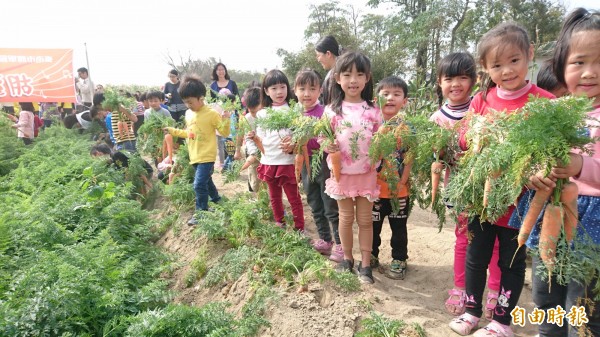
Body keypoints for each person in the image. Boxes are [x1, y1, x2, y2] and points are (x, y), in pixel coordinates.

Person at [448, 23, 555, 337]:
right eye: (497, 65)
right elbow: (466, 138)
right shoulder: (483, 100)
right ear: (485, 67)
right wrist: (478, 137)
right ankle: (471, 312)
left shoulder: (544, 102)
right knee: (476, 255)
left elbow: (552, 149)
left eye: (514, 61)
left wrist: (539, 167)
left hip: (520, 202)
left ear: (529, 56)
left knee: (511, 261)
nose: (506, 70)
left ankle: (502, 322)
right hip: (482, 198)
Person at [527, 8, 600, 337]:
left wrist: (582, 166)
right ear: (561, 65)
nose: (589, 73)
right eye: (579, 62)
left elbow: (582, 166)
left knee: (582, 309)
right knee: (545, 297)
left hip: (594, 226)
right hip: (550, 218)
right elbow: (526, 156)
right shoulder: (552, 110)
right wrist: (532, 173)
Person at [430, 52, 502, 319]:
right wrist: (438, 155)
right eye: (449, 78)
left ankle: (495, 290)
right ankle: (461, 288)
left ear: (474, 81)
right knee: (464, 239)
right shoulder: (436, 119)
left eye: (463, 77)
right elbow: (434, 157)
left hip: (489, 187)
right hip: (459, 189)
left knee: (494, 243)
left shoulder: (482, 108)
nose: (456, 84)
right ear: (440, 82)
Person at [323, 51, 380, 284]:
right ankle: (347, 259)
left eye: (359, 74)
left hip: (366, 173)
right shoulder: (332, 111)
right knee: (345, 219)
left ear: (367, 78)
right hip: (342, 173)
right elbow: (323, 140)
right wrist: (328, 145)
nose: (353, 80)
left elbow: (380, 139)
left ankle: (365, 265)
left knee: (365, 221)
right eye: (347, 74)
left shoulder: (374, 111)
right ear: (337, 78)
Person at [164, 75, 231, 226]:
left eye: (190, 102)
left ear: (201, 98)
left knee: (198, 184)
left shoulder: (212, 114)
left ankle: (202, 212)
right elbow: (189, 134)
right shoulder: (189, 114)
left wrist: (226, 119)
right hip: (194, 155)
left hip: (206, 156)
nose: (188, 105)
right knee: (206, 182)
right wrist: (172, 131)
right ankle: (216, 200)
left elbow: (224, 133)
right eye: (185, 102)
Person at [294, 69, 342, 261]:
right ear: (295, 91)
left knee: (330, 204)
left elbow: (333, 137)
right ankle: (325, 239)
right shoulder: (295, 115)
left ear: (320, 91)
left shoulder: (325, 113)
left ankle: (339, 244)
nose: (307, 93)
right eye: (302, 89)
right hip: (305, 163)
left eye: (312, 89)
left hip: (324, 163)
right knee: (314, 202)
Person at [252, 70, 304, 231]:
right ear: (266, 91)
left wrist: (293, 142)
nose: (279, 91)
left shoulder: (294, 110)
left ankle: (299, 228)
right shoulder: (262, 113)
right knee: (274, 197)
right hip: (269, 162)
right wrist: (254, 138)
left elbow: (299, 135)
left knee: (294, 197)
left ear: (288, 89)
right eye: (274, 88)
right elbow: (261, 137)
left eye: (282, 87)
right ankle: (279, 224)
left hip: (287, 162)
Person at [371, 76, 411, 280]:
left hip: (399, 191)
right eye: (385, 94)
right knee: (372, 227)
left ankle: (399, 258)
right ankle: (372, 255)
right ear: (376, 99)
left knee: (399, 228)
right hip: (375, 190)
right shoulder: (372, 125)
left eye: (396, 94)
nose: (390, 98)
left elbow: (410, 157)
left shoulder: (407, 128)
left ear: (404, 101)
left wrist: (402, 182)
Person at [235, 86, 262, 193]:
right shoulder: (247, 118)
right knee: (255, 180)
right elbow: (242, 135)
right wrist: (238, 150)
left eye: (256, 111)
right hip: (253, 151)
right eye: (251, 111)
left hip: (267, 152)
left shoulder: (269, 116)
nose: (254, 114)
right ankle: (256, 195)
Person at [315, 35, 341, 106]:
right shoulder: (342, 69)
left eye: (318, 55)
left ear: (328, 54)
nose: (318, 60)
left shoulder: (339, 73)